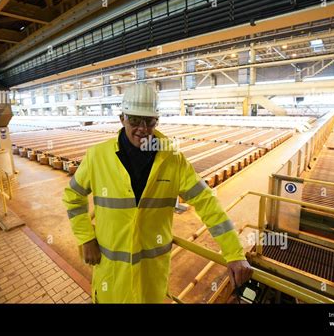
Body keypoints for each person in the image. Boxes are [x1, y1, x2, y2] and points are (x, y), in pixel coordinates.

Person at [62, 83, 252, 303]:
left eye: (149, 121)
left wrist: (234, 253)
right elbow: (72, 196)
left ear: (156, 121)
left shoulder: (173, 160)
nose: (142, 128)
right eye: (134, 120)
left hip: (150, 280)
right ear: (121, 118)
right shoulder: (97, 156)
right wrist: (86, 238)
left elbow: (208, 204)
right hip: (112, 277)